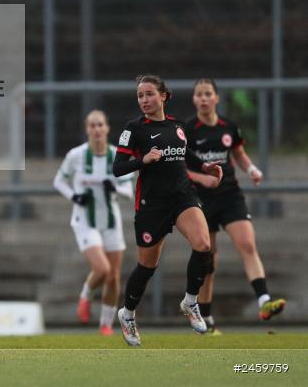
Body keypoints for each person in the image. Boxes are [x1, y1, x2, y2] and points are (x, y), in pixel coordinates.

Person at [112, 74, 223, 347]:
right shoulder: (133, 129)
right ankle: (127, 314)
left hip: (182, 197)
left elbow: (185, 155)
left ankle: (191, 301)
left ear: (163, 96)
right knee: (147, 266)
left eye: (149, 94)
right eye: (140, 96)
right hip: (152, 204)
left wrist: (205, 167)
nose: (144, 100)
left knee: (203, 243)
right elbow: (117, 168)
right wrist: (143, 159)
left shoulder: (177, 126)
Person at [185, 78, 285, 333]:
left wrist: (251, 169)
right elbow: (181, 167)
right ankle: (206, 319)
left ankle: (264, 301)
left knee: (248, 245)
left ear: (217, 98)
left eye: (209, 94)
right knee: (208, 261)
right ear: (194, 99)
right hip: (201, 200)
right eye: (200, 94)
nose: (205, 98)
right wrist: (202, 178)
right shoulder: (188, 131)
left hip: (230, 195)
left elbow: (238, 154)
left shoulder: (229, 128)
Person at [53, 110, 135, 336]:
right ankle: (86, 295)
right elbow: (58, 181)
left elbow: (129, 191)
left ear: (107, 128)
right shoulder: (76, 155)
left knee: (114, 275)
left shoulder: (117, 156)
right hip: (84, 220)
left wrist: (115, 188)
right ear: (86, 129)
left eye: (100, 125)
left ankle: (106, 325)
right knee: (102, 269)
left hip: (110, 220)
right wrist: (74, 196)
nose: (96, 129)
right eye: (92, 126)